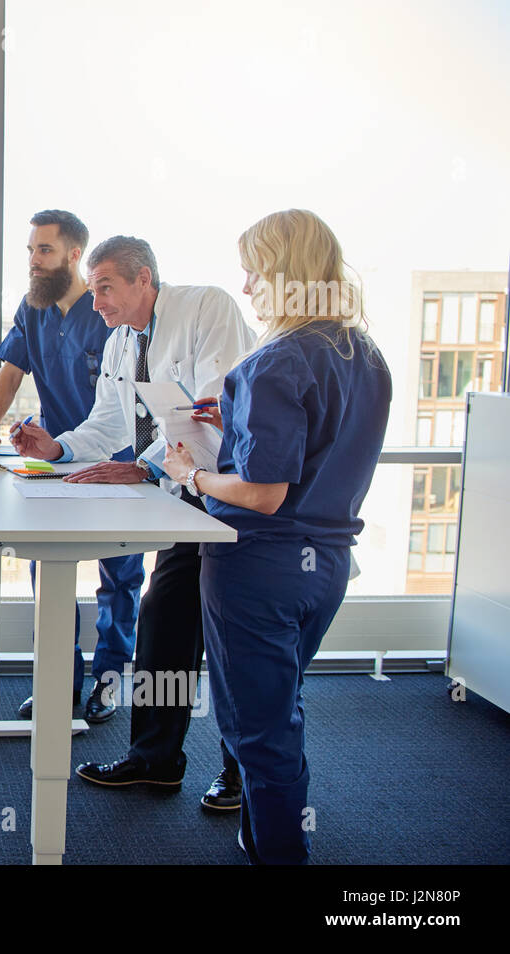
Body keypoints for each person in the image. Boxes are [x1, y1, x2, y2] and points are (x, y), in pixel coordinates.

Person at [163, 209, 390, 862]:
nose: (245, 287)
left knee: (259, 730)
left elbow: (262, 493)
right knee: (277, 710)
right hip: (326, 568)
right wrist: (234, 412)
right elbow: (318, 439)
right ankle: (262, 831)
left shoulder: (272, 362)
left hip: (256, 567)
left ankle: (280, 852)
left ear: (284, 276)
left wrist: (193, 474)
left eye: (254, 271)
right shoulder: (363, 355)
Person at [11, 235, 253, 809]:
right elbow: (105, 426)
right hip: (185, 498)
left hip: (234, 497)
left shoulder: (206, 308)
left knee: (233, 641)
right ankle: (155, 761)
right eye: (92, 290)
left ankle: (245, 776)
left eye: (105, 289)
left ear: (143, 278)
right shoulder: (122, 342)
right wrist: (57, 449)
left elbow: (214, 416)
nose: (96, 304)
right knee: (164, 619)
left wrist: (139, 468)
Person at [0, 210, 145, 724]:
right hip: (51, 458)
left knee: (119, 578)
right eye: (29, 251)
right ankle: (58, 685)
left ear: (73, 256)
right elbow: (10, 372)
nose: (33, 261)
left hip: (115, 461)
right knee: (47, 570)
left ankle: (107, 685)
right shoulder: (33, 308)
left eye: (43, 251)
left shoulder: (107, 310)